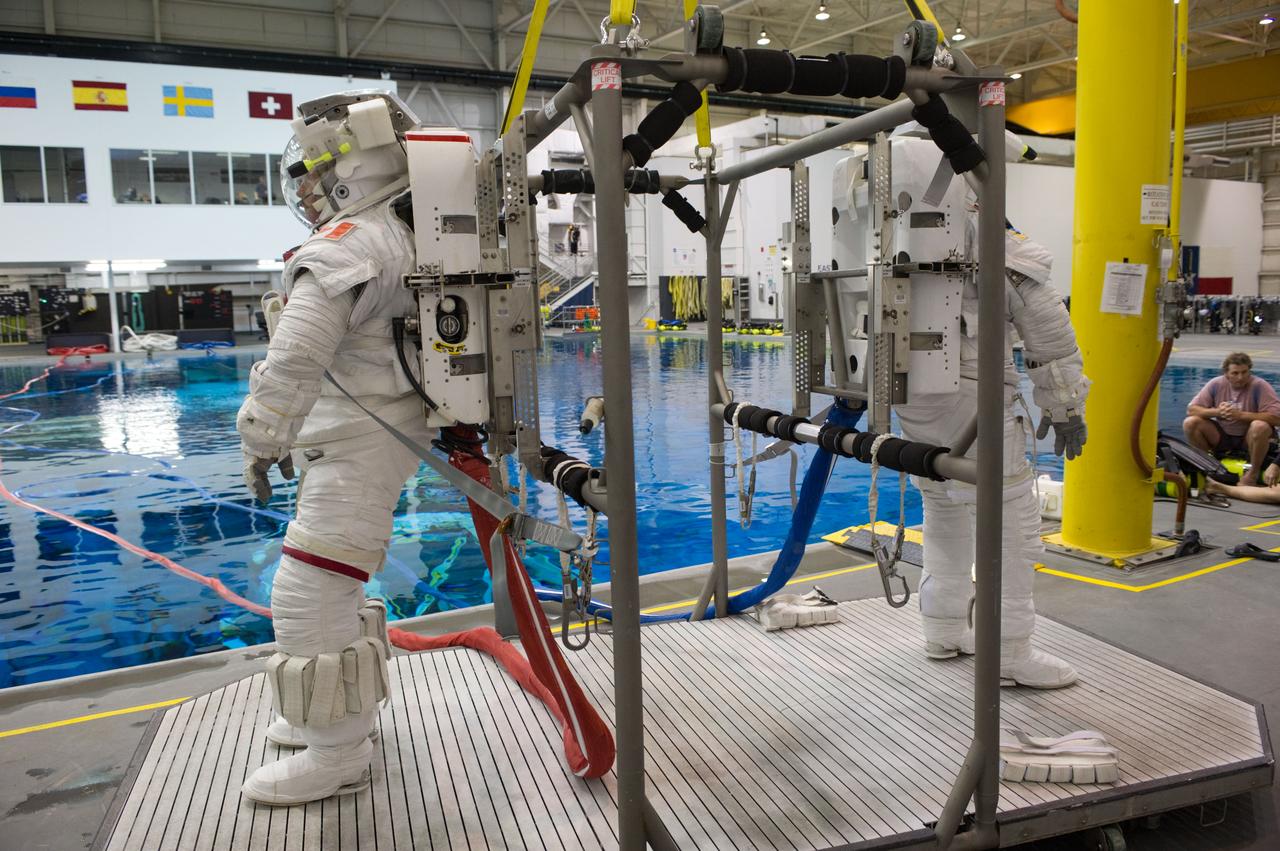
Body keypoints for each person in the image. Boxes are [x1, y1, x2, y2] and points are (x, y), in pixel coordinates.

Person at [236, 89, 434, 806]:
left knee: (307, 591)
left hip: (360, 444)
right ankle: (337, 716)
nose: (306, 189)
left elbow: (295, 358)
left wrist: (260, 438)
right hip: (362, 436)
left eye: (315, 171)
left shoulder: (351, 246)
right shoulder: (392, 234)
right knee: (336, 584)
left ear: (356, 167)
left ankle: (339, 754)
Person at [1183, 352, 1280, 485]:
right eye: (1235, 373)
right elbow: (1191, 410)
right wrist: (1218, 412)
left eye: (1244, 372)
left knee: (1259, 426)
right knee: (1190, 423)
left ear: (1249, 371)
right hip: (1223, 437)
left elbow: (1276, 418)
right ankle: (1206, 466)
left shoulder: (1260, 386)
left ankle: (1253, 473)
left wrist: (1240, 415)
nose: (1240, 377)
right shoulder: (1216, 384)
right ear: (1226, 374)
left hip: (1248, 439)